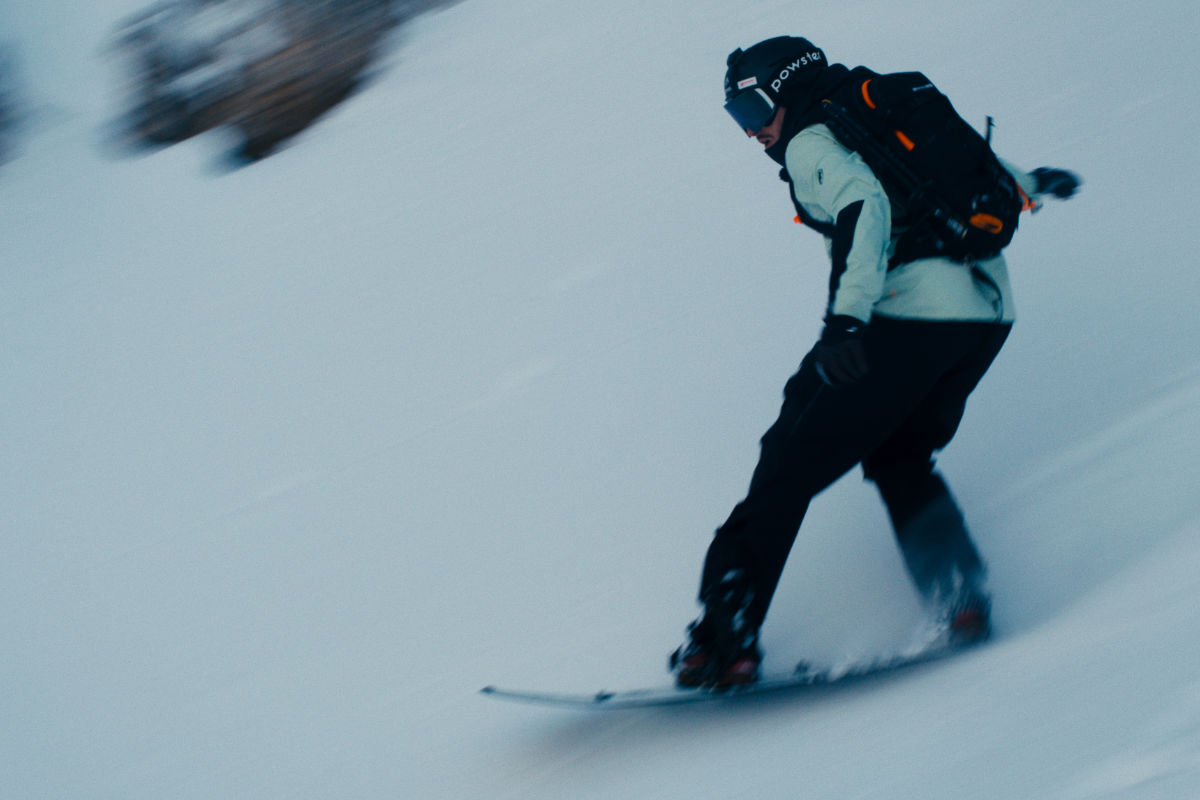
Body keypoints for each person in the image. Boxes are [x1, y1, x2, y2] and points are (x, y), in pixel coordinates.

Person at [670, 36, 1080, 689]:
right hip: (983, 319)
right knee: (898, 455)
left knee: (786, 464)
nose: (753, 134)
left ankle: (724, 641)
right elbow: (967, 168)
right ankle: (961, 602)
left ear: (785, 87)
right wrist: (1032, 186)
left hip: (903, 320)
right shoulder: (870, 111)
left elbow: (866, 203)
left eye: (752, 112)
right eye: (738, 121)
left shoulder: (810, 138)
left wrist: (847, 320)